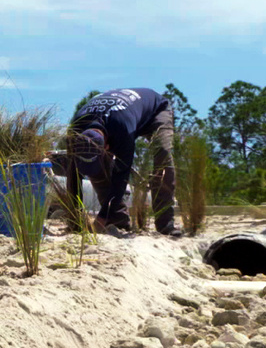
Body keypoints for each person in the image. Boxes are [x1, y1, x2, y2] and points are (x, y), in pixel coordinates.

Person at [67, 87, 182, 238]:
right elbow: (73, 176)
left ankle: (166, 225)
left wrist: (101, 219)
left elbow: (121, 177)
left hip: (155, 110)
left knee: (163, 155)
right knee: (98, 170)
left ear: (106, 147)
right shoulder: (74, 132)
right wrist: (75, 220)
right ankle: (118, 220)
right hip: (126, 114)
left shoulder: (123, 129)